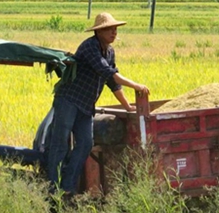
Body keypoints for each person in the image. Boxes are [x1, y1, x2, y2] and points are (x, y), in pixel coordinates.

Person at [46, 12, 150, 195]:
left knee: (86, 143)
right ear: (99, 32)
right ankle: (52, 189)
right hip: (69, 100)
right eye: (109, 29)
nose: (114, 33)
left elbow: (112, 82)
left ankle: (67, 187)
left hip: (86, 105)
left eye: (115, 29)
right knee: (60, 142)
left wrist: (127, 107)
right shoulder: (89, 46)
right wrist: (136, 85)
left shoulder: (110, 52)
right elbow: (107, 72)